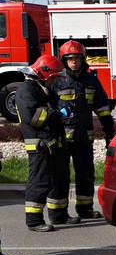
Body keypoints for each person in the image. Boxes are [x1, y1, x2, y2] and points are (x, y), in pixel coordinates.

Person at [51, 40, 116, 220]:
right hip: (62, 139)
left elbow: (102, 108)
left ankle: (85, 208)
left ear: (83, 59)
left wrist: (109, 131)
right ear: (64, 60)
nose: (74, 62)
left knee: (86, 174)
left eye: (77, 58)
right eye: (70, 59)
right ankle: (58, 213)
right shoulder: (57, 81)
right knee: (60, 176)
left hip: (84, 138)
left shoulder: (91, 81)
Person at [16, 54, 73, 232]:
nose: (55, 81)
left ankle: (58, 215)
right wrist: (58, 114)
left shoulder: (42, 89)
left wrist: (64, 110)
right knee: (39, 181)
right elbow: (35, 117)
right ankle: (34, 220)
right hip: (39, 145)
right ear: (43, 74)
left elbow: (52, 109)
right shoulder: (26, 90)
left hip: (52, 143)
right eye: (54, 77)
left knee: (60, 179)